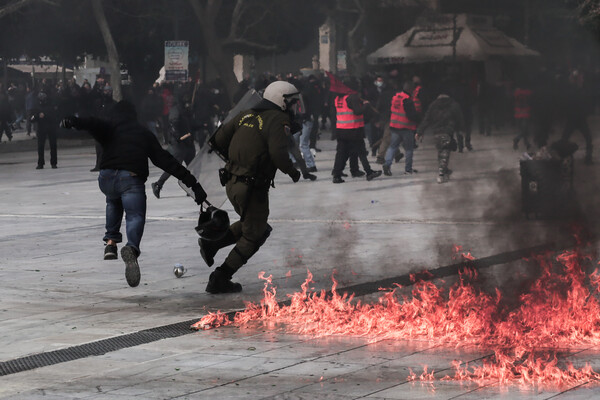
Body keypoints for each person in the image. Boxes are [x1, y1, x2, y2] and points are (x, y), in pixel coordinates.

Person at [60, 100, 207, 288]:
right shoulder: (143, 133)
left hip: (106, 178)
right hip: (130, 177)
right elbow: (165, 160)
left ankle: (111, 242)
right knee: (135, 215)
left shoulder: (109, 127)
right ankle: (131, 247)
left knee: (113, 201)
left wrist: (73, 121)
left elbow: (92, 123)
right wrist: (192, 183)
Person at [199, 81, 303, 294]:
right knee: (255, 234)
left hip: (232, 183)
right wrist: (292, 171)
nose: (294, 108)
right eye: (291, 103)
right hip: (252, 188)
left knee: (252, 224)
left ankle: (212, 244)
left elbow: (217, 140)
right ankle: (220, 278)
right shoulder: (278, 119)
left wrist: (240, 158)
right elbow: (278, 153)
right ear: (281, 101)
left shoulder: (245, 115)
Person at [331, 78, 382, 183]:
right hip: (353, 130)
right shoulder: (351, 97)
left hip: (341, 130)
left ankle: (336, 175)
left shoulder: (338, 98)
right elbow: (358, 111)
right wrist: (366, 105)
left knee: (341, 153)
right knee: (361, 152)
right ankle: (369, 172)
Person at [151, 100, 197, 198]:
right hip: (179, 144)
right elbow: (174, 124)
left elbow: (191, 125)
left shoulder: (186, 110)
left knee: (192, 166)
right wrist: (178, 137)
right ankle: (158, 184)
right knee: (174, 166)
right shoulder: (176, 110)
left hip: (188, 142)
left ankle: (192, 188)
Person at [416, 92, 465, 184]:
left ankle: (444, 170)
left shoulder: (433, 105)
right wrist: (460, 130)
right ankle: (442, 173)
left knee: (441, 150)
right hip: (448, 131)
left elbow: (427, 119)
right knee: (445, 151)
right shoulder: (454, 105)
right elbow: (459, 118)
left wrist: (420, 131)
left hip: (437, 132)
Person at [382, 81, 420, 176]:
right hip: (406, 127)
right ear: (410, 90)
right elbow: (411, 115)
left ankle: (387, 164)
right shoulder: (408, 100)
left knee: (392, 147)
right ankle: (408, 169)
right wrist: (418, 118)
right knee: (409, 149)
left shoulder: (396, 97)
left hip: (395, 126)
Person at [33, 92, 59, 169]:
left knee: (53, 146)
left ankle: (53, 162)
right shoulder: (37, 107)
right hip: (41, 128)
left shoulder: (50, 106)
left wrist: (45, 115)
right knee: (41, 146)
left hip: (51, 127)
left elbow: (54, 116)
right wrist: (37, 116)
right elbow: (32, 118)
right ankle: (41, 163)